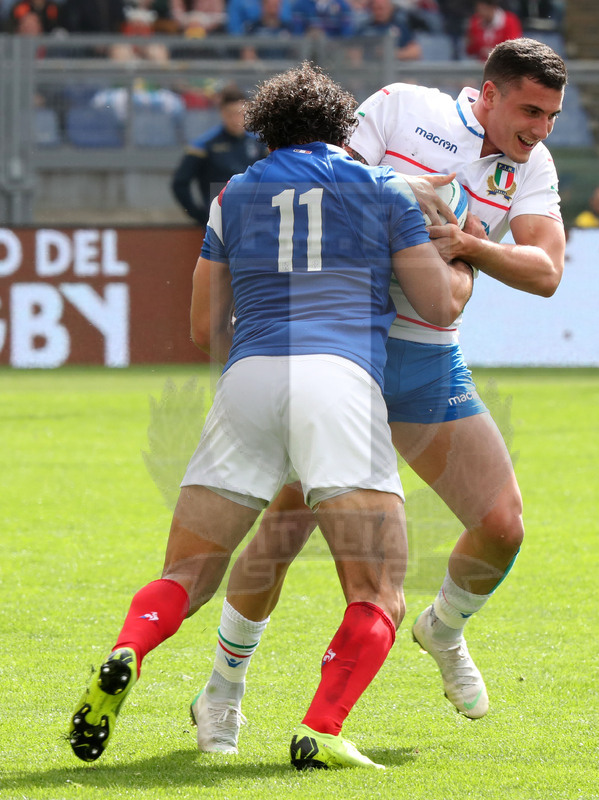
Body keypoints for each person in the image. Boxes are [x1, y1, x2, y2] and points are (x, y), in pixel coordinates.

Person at [68, 61, 464, 770]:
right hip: (340, 382)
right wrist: (461, 256)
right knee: (378, 591)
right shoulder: (380, 190)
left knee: (186, 573)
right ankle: (322, 728)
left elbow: (201, 327)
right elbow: (437, 306)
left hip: (248, 377)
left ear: (264, 131)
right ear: (344, 129)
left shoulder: (233, 195)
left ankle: (129, 647)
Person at [195, 36, 567, 754]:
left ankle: (443, 629)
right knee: (282, 530)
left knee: (502, 524)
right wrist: (414, 201)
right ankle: (222, 691)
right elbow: (319, 185)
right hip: (342, 349)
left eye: (551, 115)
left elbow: (547, 270)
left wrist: (468, 243)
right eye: (529, 111)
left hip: (427, 357)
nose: (539, 130)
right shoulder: (402, 109)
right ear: (487, 94)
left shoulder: (534, 167)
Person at [171, 85, 267, 227]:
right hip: (221, 223)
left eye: (240, 113)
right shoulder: (204, 145)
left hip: (254, 222)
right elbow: (180, 183)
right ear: (222, 113)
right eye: (230, 114)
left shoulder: (260, 144)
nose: (236, 119)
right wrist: (200, 215)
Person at [355, 0, 422, 60]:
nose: (379, 12)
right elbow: (353, 52)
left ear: (390, 9)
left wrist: (391, 54)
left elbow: (415, 52)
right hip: (370, 69)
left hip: (395, 69)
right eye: (375, 8)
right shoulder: (364, 28)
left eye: (381, 8)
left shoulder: (400, 27)